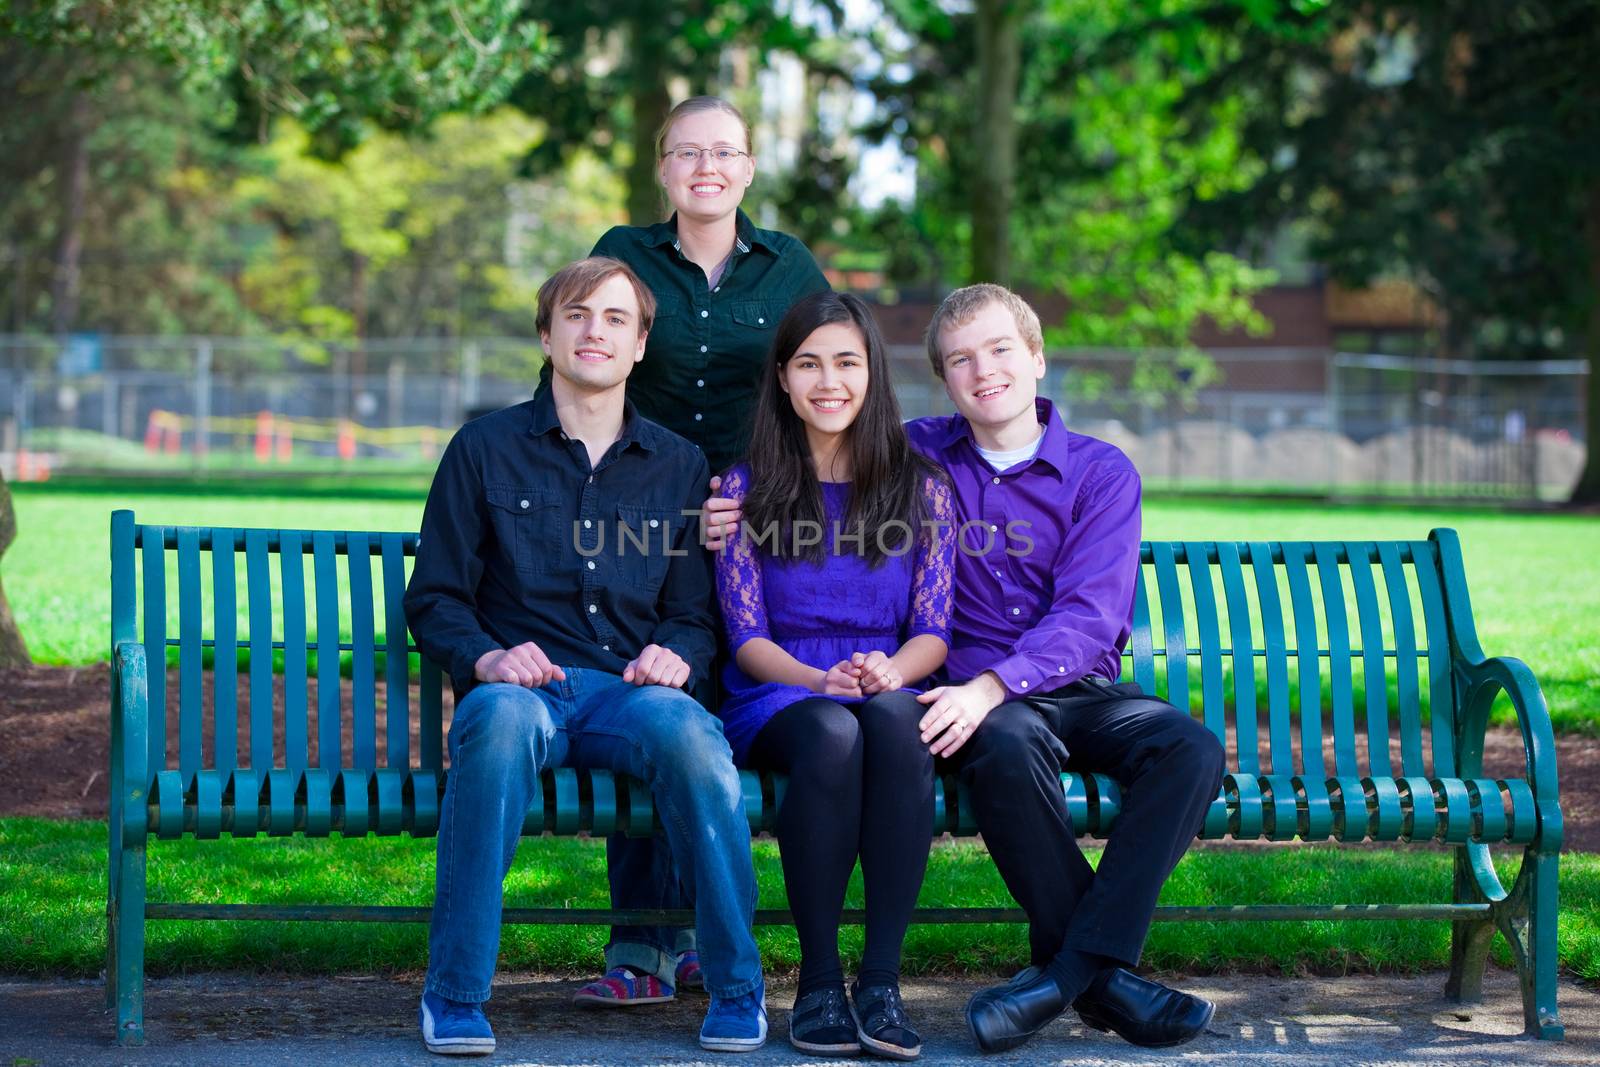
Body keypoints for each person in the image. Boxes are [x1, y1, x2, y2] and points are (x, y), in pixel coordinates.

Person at [404, 257, 768, 1055]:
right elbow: (433, 598)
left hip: (627, 695)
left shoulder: (677, 465)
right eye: (575, 314)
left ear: (641, 345)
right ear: (546, 334)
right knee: (495, 724)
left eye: (613, 318)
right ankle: (456, 995)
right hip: (525, 692)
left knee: (695, 738)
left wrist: (677, 651)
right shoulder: (483, 449)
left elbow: (692, 613)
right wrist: (489, 658)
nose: (592, 330)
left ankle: (739, 988)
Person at [543, 94, 831, 1008]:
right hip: (639, 511)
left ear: (749, 168)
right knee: (647, 692)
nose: (707, 168)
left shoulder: (789, 268)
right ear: (662, 167)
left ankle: (709, 934)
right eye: (687, 153)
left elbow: (825, 384)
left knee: (712, 707)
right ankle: (640, 942)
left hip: (757, 523)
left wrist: (753, 502)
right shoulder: (624, 254)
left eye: (726, 153)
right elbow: (573, 372)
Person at [906, 283, 1225, 1053]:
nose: (984, 371)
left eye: (1000, 349)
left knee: (1190, 748)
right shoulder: (914, 454)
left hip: (1073, 689)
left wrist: (996, 681)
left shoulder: (1101, 472)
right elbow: (809, 466)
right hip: (977, 709)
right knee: (1008, 743)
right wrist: (728, 501)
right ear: (945, 380)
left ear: (1038, 357)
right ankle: (1109, 984)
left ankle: (1065, 976)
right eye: (961, 360)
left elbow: (1090, 617)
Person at [713, 292, 955, 1059]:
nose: (829, 380)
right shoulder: (739, 489)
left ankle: (880, 980)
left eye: (847, 361)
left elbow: (932, 632)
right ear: (782, 378)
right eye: (809, 363)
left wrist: (886, 671)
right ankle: (818, 981)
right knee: (829, 732)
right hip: (783, 693)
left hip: (884, 679)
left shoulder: (923, 488)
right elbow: (746, 637)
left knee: (893, 723)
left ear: (872, 372)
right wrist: (820, 682)